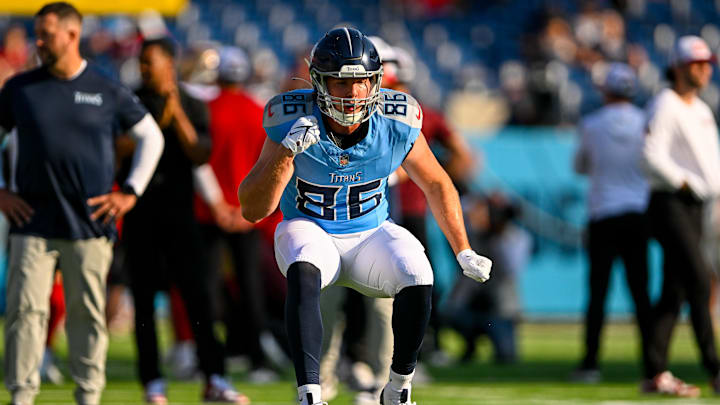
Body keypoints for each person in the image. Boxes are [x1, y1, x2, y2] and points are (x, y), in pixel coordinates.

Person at [238, 27, 492, 405]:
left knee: (419, 272)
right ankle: (310, 395)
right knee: (304, 262)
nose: (354, 93)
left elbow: (438, 183)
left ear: (376, 80)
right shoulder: (289, 115)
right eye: (341, 83)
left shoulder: (398, 118)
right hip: (310, 228)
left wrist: (463, 249)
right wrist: (285, 153)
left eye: (361, 81)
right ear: (319, 82)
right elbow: (253, 209)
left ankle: (397, 390)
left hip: (370, 231)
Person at [0, 3, 165, 405]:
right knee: (24, 313)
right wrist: (1, 189)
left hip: (90, 224)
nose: (38, 41)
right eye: (37, 33)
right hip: (31, 222)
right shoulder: (19, 89)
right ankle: (21, 396)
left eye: (47, 33)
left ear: (72, 35)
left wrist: (130, 191)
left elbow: (151, 137)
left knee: (88, 315)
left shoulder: (107, 89)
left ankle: (88, 397)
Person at [122, 37, 248, 404]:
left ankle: (215, 377)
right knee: (143, 302)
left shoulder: (192, 104)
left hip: (181, 217)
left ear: (170, 65)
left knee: (200, 300)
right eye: (142, 62)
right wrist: (151, 123)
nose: (144, 69)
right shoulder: (130, 102)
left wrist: (175, 113)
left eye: (151, 62)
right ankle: (153, 382)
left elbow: (200, 154)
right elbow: (118, 148)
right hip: (140, 216)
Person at [642, 35, 720, 397]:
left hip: (696, 206)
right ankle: (715, 369)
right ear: (677, 66)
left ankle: (656, 372)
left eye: (707, 63)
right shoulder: (666, 104)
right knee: (700, 281)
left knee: (674, 290)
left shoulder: (702, 109)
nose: (704, 69)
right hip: (670, 202)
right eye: (696, 63)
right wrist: (683, 181)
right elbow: (650, 155)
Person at [570, 63, 652, 383]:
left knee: (597, 294)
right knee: (641, 293)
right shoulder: (646, 121)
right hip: (637, 212)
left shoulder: (592, 123)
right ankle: (652, 362)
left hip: (603, 214)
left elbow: (580, 165)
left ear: (606, 90)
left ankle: (590, 363)